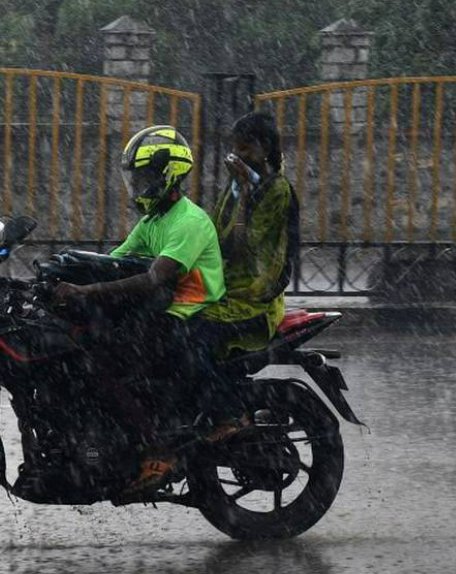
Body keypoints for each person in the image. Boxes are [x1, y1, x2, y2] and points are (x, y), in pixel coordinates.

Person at [52, 124, 229, 495]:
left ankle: (157, 448)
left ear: (169, 174)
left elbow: (154, 279)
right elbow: (113, 261)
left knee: (100, 364)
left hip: (189, 316)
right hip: (160, 311)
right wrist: (56, 276)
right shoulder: (153, 221)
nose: (138, 186)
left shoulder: (188, 221)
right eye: (135, 178)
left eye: (146, 177)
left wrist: (86, 291)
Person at [201, 111, 298, 353]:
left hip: (254, 301)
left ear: (264, 148)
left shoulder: (277, 189)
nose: (238, 156)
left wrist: (243, 195)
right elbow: (215, 236)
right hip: (223, 288)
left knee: (194, 329)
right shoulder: (237, 184)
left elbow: (242, 247)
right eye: (235, 149)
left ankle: (210, 390)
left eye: (244, 148)